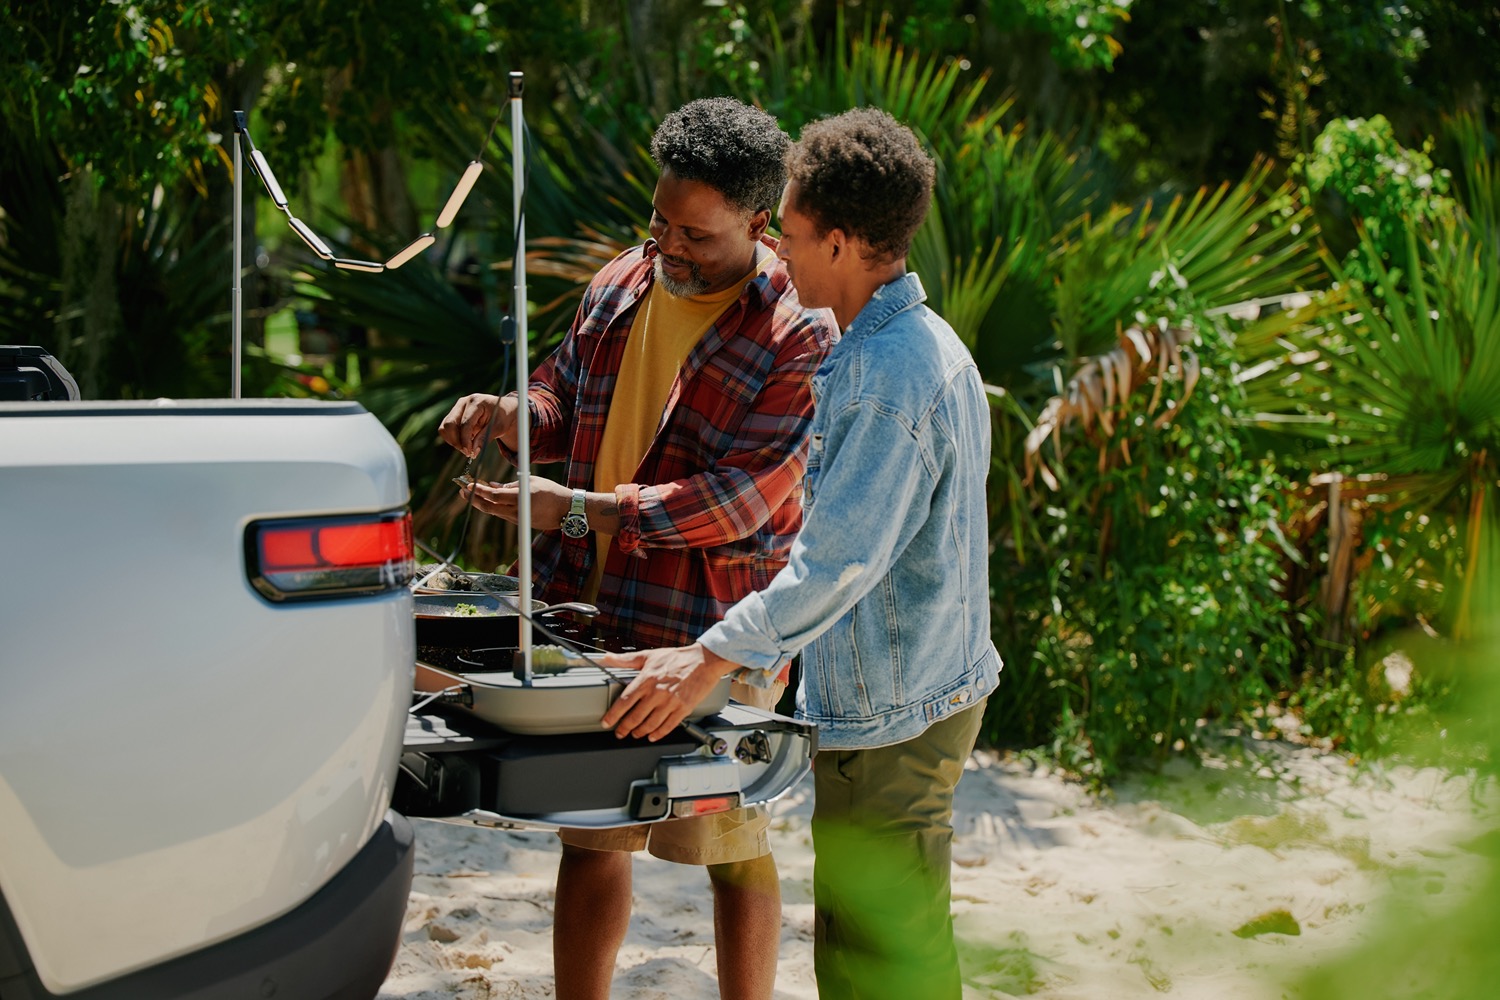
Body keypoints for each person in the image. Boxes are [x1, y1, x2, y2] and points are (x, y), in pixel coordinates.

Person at [437, 97, 838, 1000]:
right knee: (592, 836)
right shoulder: (621, 281)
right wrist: (510, 417)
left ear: (757, 223)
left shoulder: (798, 328)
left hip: (715, 634)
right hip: (597, 612)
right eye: (659, 220)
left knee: (729, 844)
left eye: (694, 233)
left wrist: (573, 511)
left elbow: (741, 504)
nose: (669, 246)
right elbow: (560, 397)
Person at [600, 107, 1004, 999]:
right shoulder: (915, 346)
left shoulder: (890, 374)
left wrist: (705, 659)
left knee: (876, 961)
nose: (776, 247)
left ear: (848, 244)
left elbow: (837, 564)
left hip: (899, 714)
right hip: (924, 692)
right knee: (889, 943)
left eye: (790, 229)